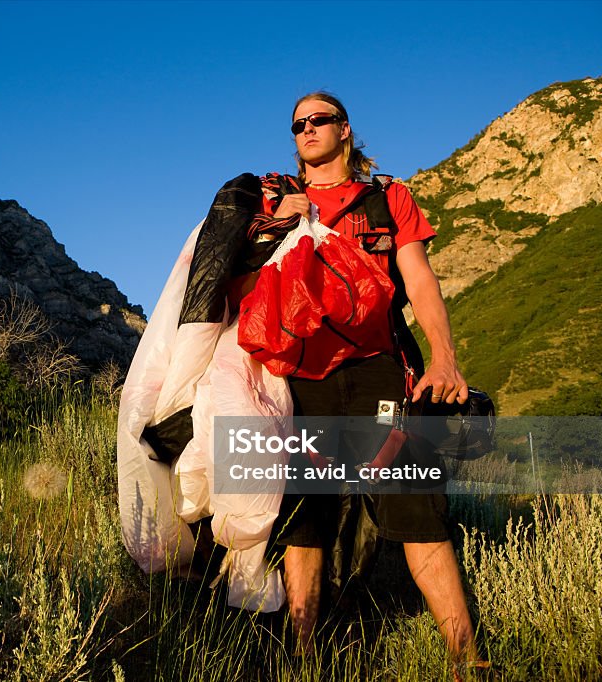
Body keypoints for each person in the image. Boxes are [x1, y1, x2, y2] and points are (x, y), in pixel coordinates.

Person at [247, 92, 485, 672]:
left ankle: (468, 660)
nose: (306, 130)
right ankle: (304, 657)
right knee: (307, 515)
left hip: (379, 368)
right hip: (300, 377)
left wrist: (444, 358)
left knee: (413, 505)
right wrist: (278, 223)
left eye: (318, 120)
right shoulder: (272, 195)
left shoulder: (388, 199)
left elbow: (420, 282)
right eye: (297, 123)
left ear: (345, 129)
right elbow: (239, 278)